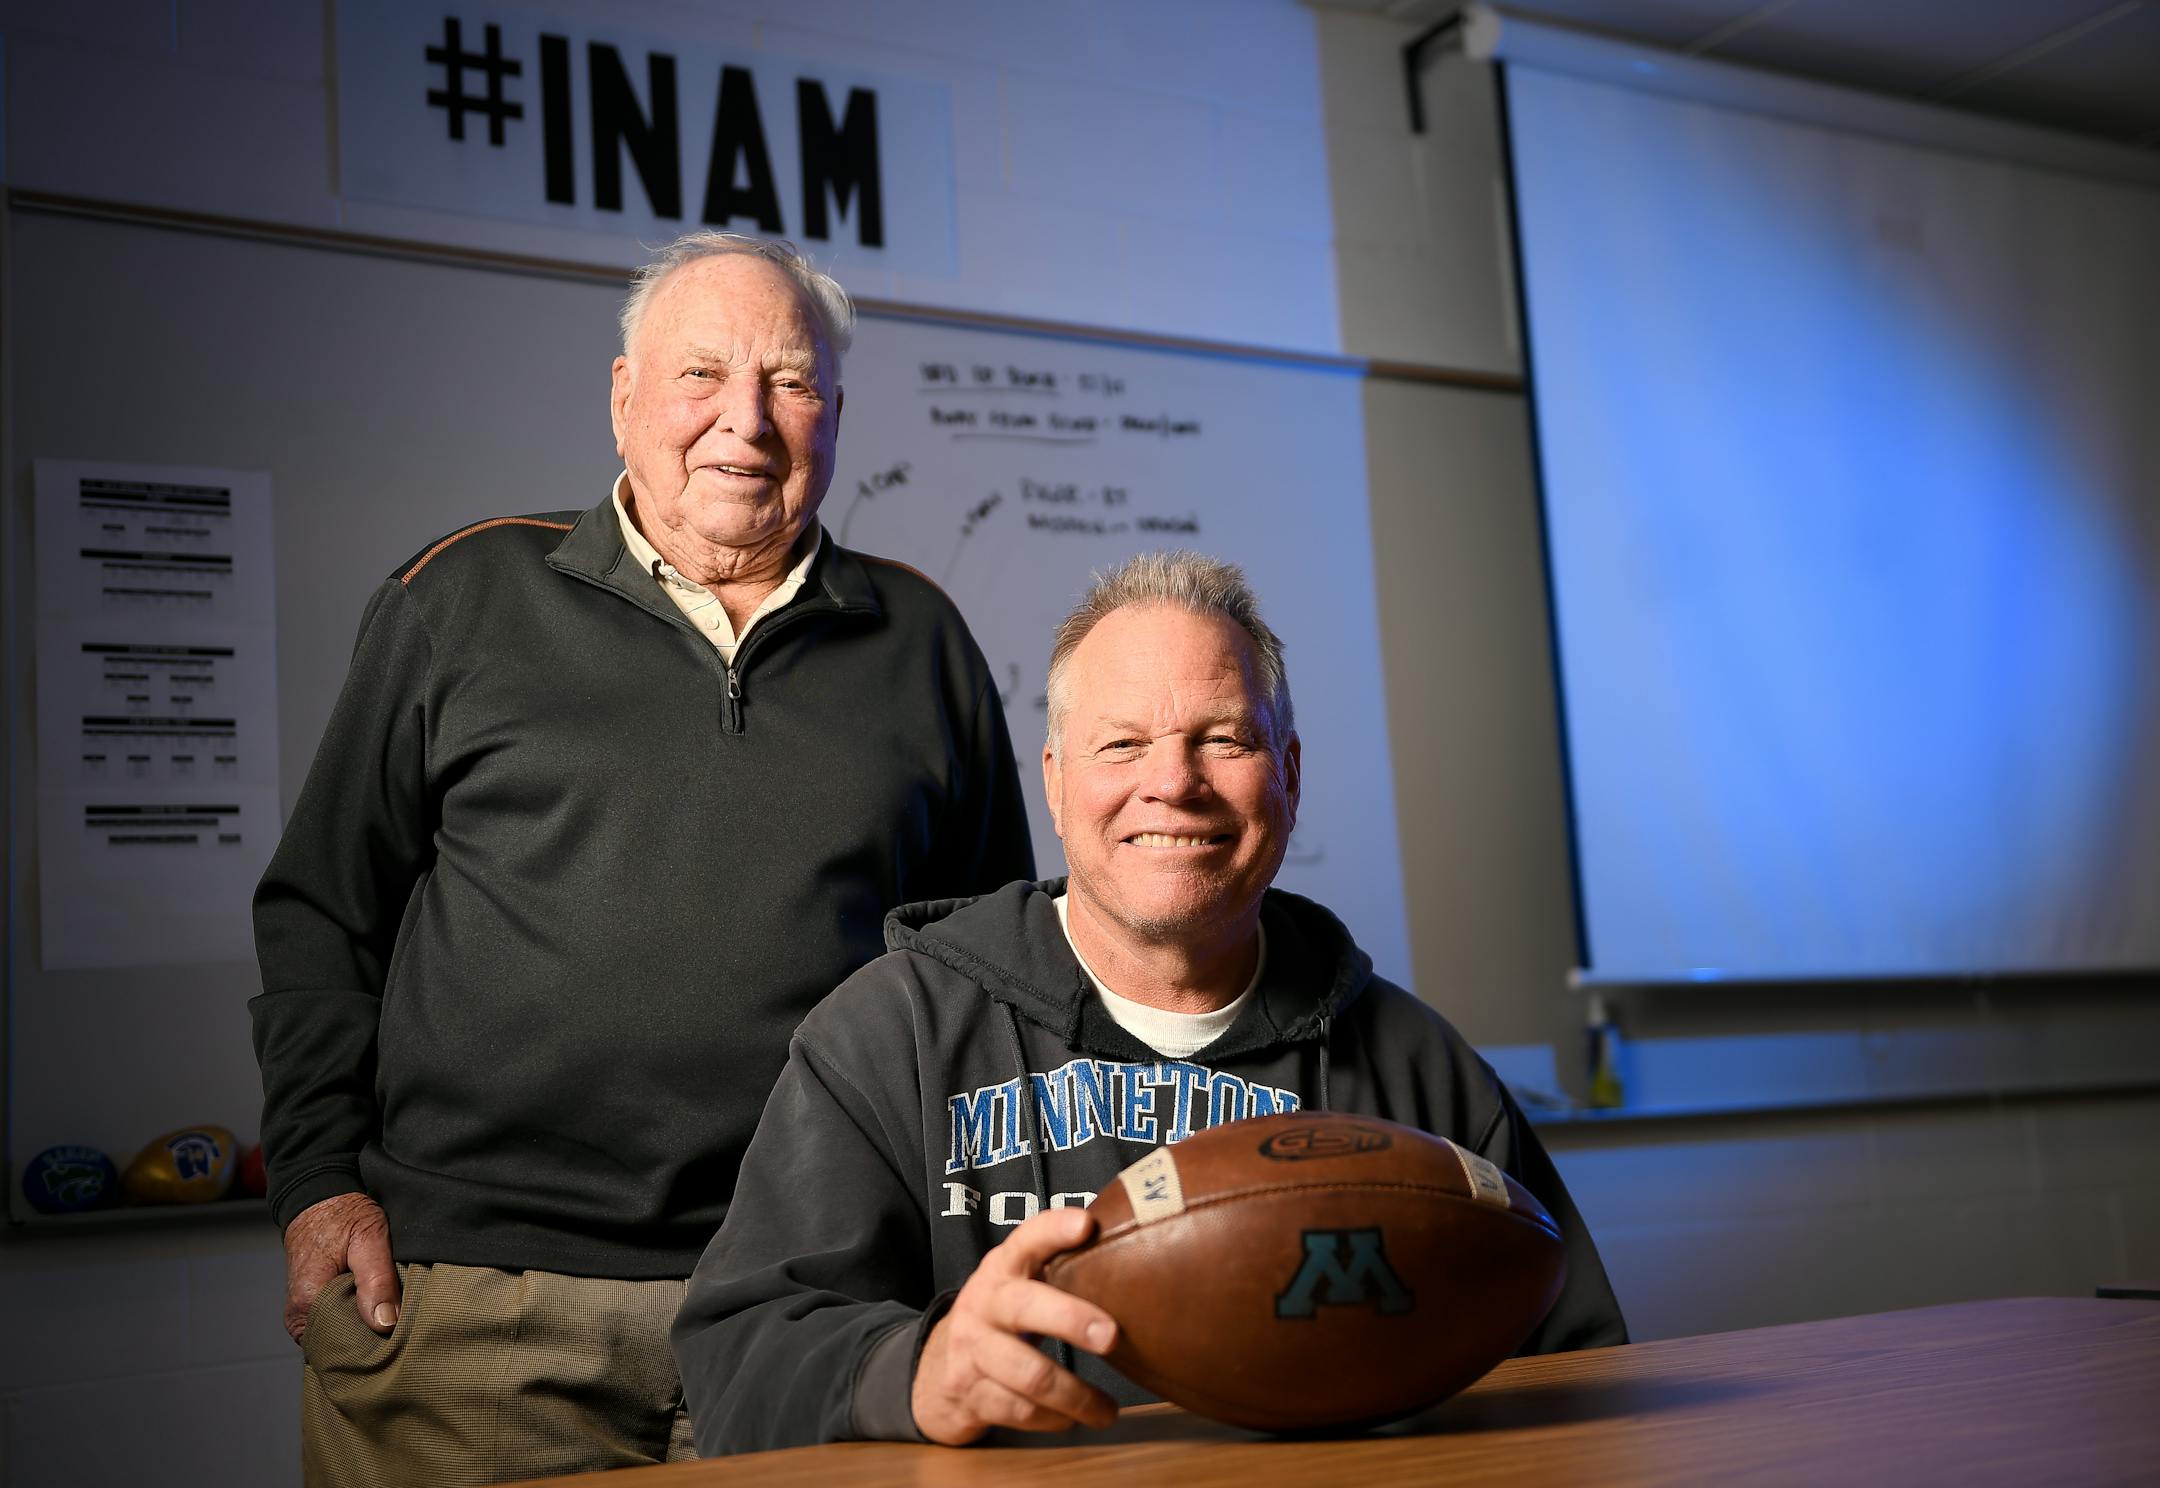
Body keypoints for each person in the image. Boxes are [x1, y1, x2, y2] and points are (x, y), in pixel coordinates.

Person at [250, 232, 1034, 1482]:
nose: (747, 422)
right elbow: (320, 914)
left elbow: (991, 983)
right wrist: (315, 1185)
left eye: (790, 383)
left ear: (833, 414)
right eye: (700, 376)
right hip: (478, 1317)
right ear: (623, 396)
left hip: (818, 1305)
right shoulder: (459, 598)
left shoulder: (921, 638)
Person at [672, 550, 1626, 1455]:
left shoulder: (1420, 1069)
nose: (1173, 784)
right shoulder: (894, 1035)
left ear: (1288, 776)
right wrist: (914, 1375)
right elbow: (736, 1359)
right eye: (1122, 744)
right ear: (1054, 784)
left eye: (1224, 738)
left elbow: (1582, 1371)